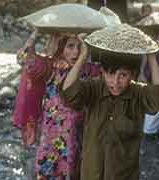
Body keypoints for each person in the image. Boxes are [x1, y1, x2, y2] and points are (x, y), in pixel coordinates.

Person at [60, 39, 159, 180]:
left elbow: (157, 97)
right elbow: (68, 93)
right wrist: (83, 55)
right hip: (91, 172)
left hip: (123, 174)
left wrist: (151, 57)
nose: (115, 82)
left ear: (134, 75)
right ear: (102, 72)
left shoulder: (139, 93)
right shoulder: (94, 88)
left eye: (123, 75)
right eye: (110, 74)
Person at [13, 29, 102, 179]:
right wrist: (37, 32)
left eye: (80, 47)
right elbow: (23, 58)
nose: (76, 52)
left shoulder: (90, 70)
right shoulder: (51, 67)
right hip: (52, 138)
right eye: (70, 46)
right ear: (61, 48)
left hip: (80, 135)